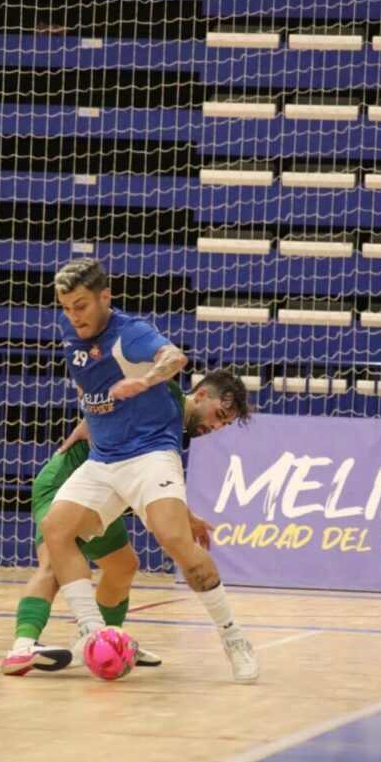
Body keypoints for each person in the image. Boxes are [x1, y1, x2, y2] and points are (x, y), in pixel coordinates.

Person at [40, 258, 260, 683]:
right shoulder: (73, 335)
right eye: (66, 307)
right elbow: (93, 392)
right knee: (56, 528)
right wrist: (89, 418)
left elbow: (173, 356)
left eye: (81, 305)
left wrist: (144, 381)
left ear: (105, 297)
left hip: (148, 455)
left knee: (176, 541)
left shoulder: (130, 332)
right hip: (104, 458)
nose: (74, 315)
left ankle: (234, 638)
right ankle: (92, 632)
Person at [0, 381, 215, 676]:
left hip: (103, 496)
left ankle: (108, 643)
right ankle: (22, 647)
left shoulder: (168, 422)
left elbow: (150, 472)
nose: (216, 427)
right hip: (63, 484)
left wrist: (185, 515)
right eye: (218, 416)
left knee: (124, 565)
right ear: (201, 396)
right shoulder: (163, 395)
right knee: (53, 565)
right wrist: (91, 419)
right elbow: (104, 392)